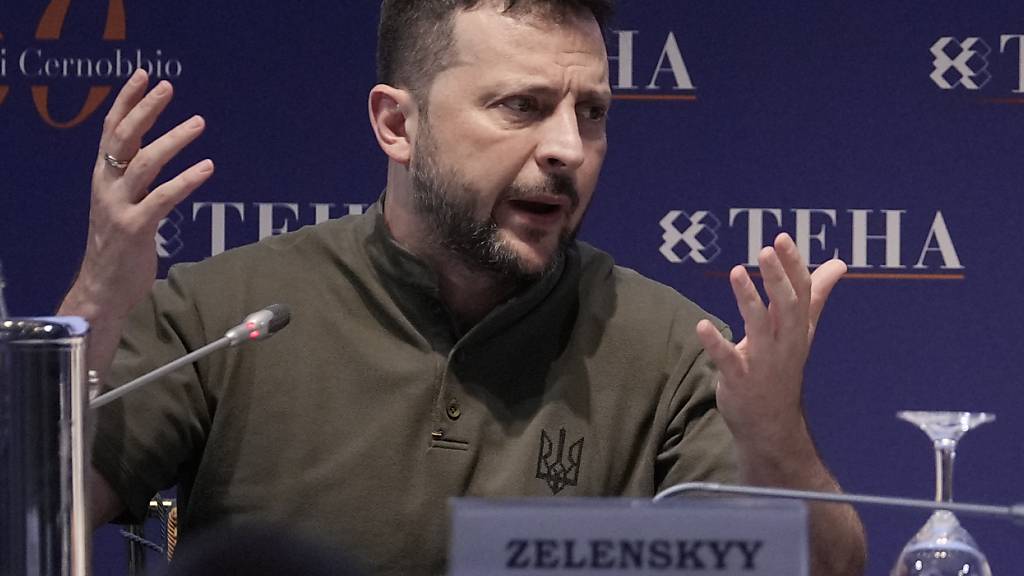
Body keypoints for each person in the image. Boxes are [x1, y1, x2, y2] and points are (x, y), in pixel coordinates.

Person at [60, 1, 867, 574]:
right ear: (397, 125)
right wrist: (95, 299)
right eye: (523, 106)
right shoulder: (227, 312)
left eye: (590, 113)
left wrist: (776, 439)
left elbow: (823, 572)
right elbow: (37, 518)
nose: (568, 148)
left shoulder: (673, 351)